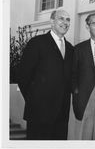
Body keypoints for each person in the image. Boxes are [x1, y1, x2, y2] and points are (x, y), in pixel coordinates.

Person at [17, 9, 74, 140]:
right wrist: (35, 101)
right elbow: (23, 76)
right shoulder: (36, 43)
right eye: (61, 18)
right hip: (39, 114)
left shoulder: (71, 48)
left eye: (68, 20)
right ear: (52, 21)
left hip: (61, 116)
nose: (65, 22)